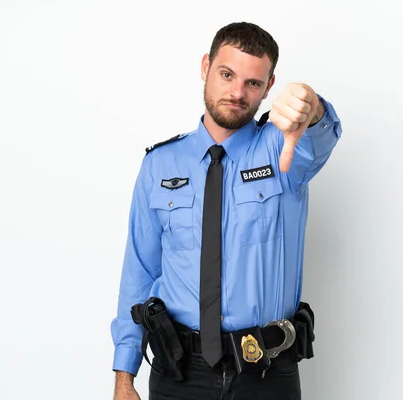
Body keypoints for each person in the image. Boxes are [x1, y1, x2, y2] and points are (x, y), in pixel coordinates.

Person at [110, 21, 343, 400]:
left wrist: (310, 105)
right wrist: (124, 376)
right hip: (178, 374)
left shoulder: (283, 148)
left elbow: (317, 133)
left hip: (265, 373)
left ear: (269, 87)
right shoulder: (160, 164)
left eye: (253, 83)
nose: (237, 93)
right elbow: (140, 272)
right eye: (226, 74)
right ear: (206, 67)